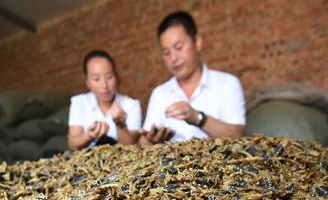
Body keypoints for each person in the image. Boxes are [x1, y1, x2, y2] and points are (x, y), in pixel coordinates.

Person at [139, 11, 246, 146]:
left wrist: (197, 117)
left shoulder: (227, 84)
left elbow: (237, 135)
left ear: (197, 42)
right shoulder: (160, 93)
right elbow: (143, 143)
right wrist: (151, 140)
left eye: (179, 47)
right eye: (166, 53)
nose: (173, 58)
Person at [68, 50, 141, 150]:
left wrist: (120, 124)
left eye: (109, 77)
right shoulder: (79, 102)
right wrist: (88, 135)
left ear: (117, 77)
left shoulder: (131, 105)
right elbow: (72, 145)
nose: (104, 85)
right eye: (96, 79)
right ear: (87, 82)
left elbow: (131, 147)